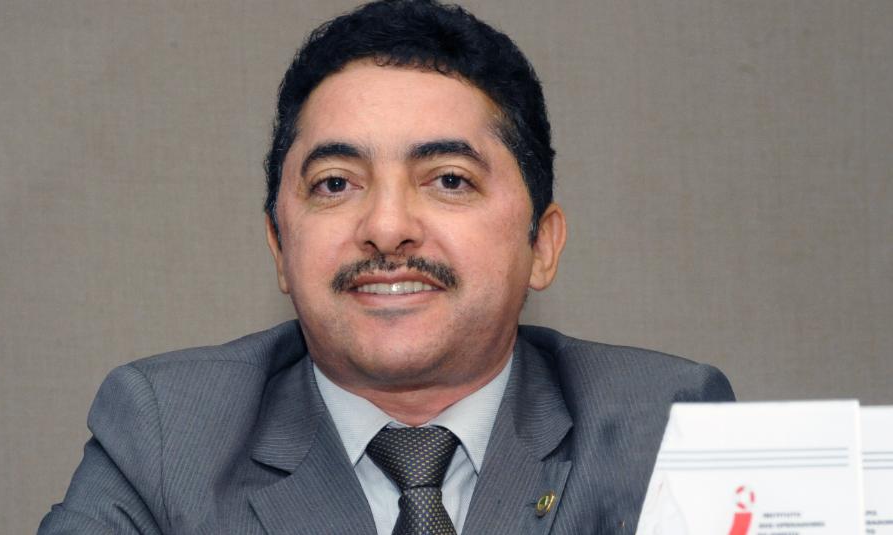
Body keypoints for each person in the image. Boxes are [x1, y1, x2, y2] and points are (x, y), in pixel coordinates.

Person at [39, 1, 734, 534]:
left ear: (542, 245)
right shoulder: (168, 436)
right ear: (280, 246)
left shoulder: (663, 427)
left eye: (449, 180)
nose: (386, 226)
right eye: (336, 184)